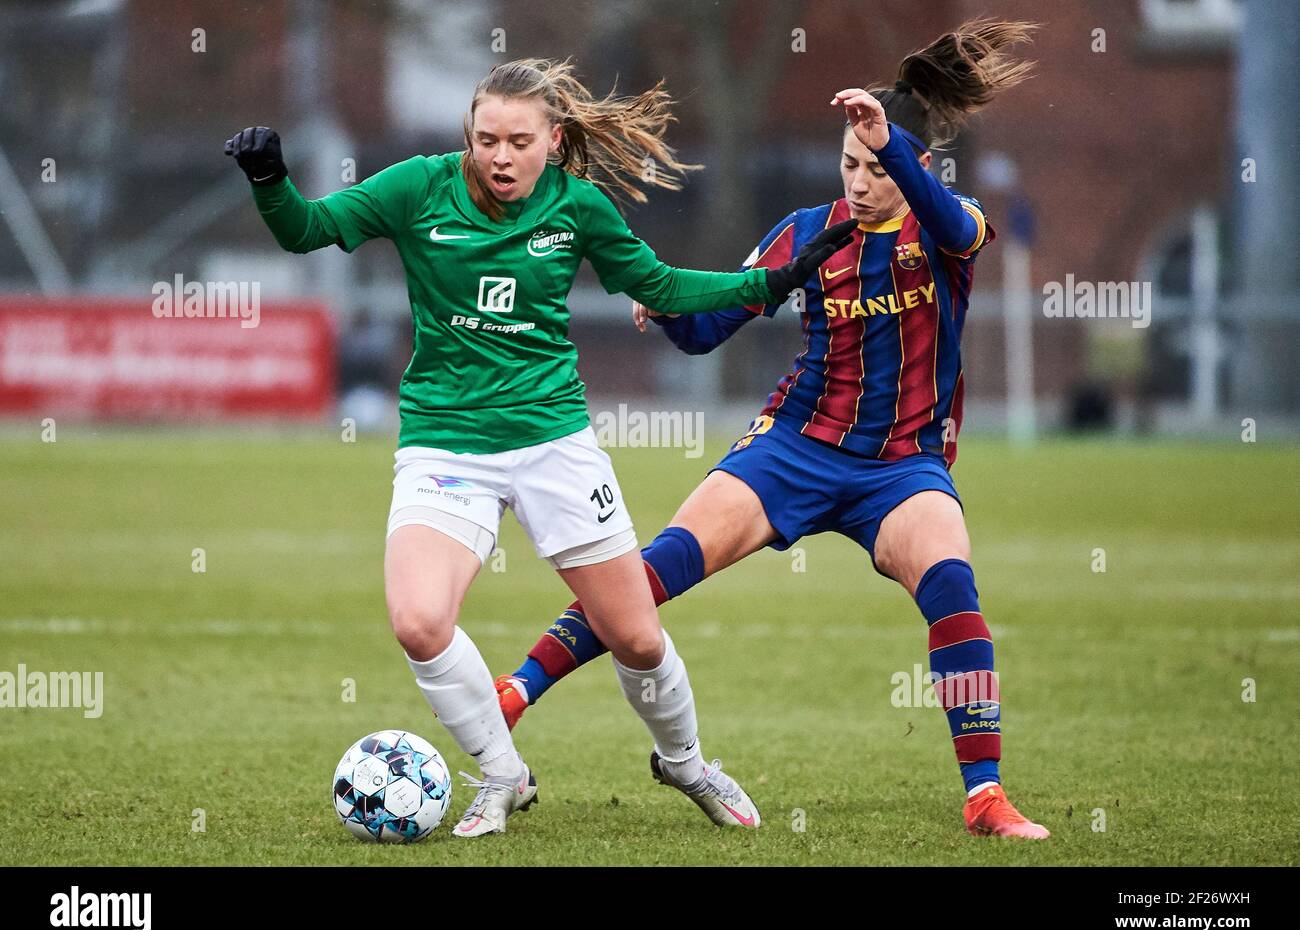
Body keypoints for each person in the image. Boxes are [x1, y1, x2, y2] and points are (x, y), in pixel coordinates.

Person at [224, 58, 854, 837]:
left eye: (519, 140)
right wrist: (270, 182)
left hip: (554, 442)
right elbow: (307, 231)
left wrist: (762, 285)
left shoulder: (578, 207)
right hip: (446, 446)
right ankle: (502, 774)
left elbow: (657, 287)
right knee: (419, 621)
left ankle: (688, 764)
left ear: (553, 141)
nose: (500, 156)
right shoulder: (416, 188)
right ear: (469, 136)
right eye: (486, 138)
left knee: (635, 635)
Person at [494, 22, 1051, 839]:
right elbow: (707, 330)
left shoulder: (946, 226)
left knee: (953, 587)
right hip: (791, 446)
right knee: (646, 576)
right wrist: (664, 309)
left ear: (912, 164)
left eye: (876, 164)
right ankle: (510, 696)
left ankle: (985, 796)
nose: (858, 182)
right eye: (849, 163)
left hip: (901, 466)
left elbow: (947, 215)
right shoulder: (803, 233)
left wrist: (888, 141)